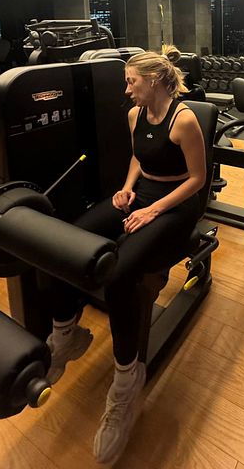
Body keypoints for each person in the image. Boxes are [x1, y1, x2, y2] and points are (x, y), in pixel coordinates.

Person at [45, 45, 206, 464]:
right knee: (71, 239)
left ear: (153, 81)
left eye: (131, 82)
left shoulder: (184, 119)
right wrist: (128, 188)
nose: (127, 89)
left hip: (175, 204)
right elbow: (138, 155)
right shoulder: (135, 114)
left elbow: (198, 179)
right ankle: (66, 334)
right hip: (144, 194)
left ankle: (126, 380)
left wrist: (153, 208)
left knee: (118, 274)